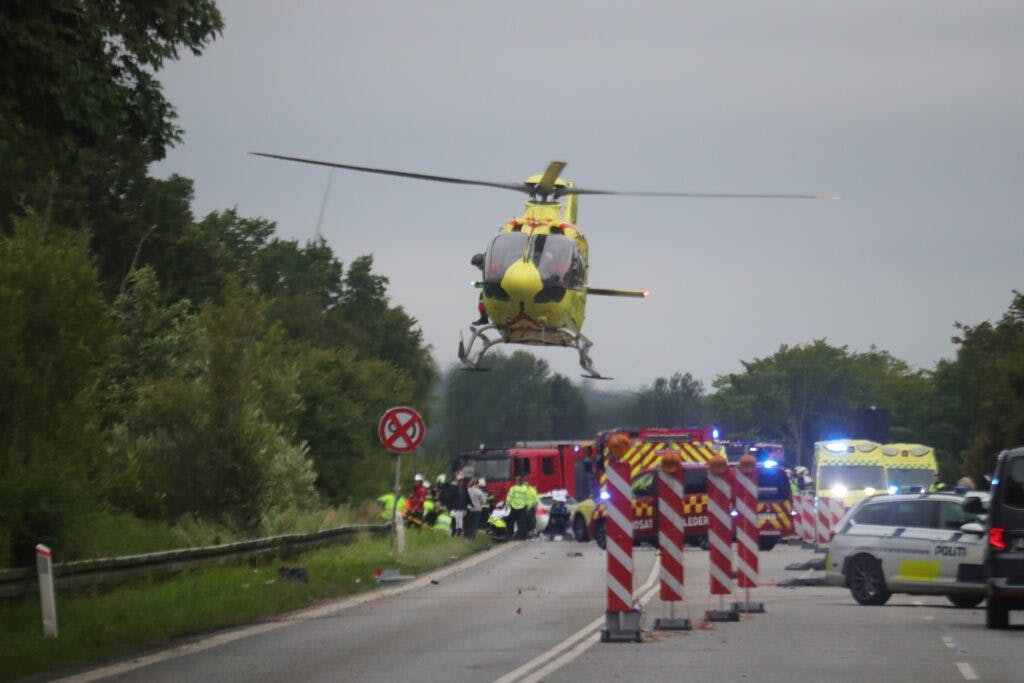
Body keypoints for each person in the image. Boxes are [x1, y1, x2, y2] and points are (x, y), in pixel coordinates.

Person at [506, 475, 532, 540]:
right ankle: (522, 536)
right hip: (522, 507)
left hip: (514, 507)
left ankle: (510, 535)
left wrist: (507, 505)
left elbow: (509, 497)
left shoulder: (513, 488)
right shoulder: (525, 489)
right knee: (522, 522)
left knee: (511, 521)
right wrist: (529, 507)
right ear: (522, 481)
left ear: (517, 481)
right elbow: (528, 498)